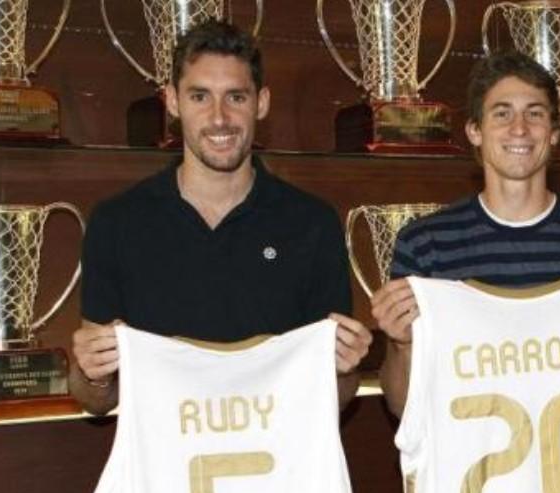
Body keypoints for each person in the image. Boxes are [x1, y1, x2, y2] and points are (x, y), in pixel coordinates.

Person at [70, 20, 371, 415]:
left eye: (236, 97)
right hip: (166, 469)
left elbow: (335, 392)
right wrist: (92, 373)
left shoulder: (312, 223)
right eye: (199, 97)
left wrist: (346, 369)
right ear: (173, 102)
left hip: (277, 466)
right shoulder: (117, 222)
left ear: (261, 102)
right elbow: (95, 400)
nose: (219, 118)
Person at [372, 50, 560, 415]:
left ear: (553, 133)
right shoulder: (426, 244)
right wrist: (402, 345)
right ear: (475, 131)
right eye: (502, 114)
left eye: (535, 113)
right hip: (469, 467)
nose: (520, 129)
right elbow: (400, 406)